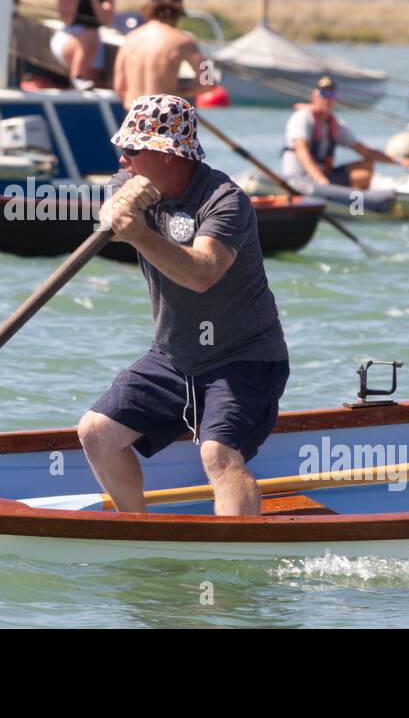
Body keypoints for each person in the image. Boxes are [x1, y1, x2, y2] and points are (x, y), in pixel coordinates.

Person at [78, 94, 291, 517]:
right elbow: (112, 206)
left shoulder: (224, 201)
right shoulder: (130, 183)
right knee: (96, 431)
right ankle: (137, 532)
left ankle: (235, 561)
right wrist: (116, 212)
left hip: (243, 358)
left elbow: (202, 273)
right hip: (173, 356)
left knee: (218, 454)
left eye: (133, 150)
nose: (122, 160)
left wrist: (139, 234)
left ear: (169, 154)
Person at [282, 75, 409, 189]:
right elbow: (301, 151)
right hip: (300, 180)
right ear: (314, 96)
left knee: (366, 167)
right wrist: (320, 180)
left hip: (323, 179)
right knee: (359, 175)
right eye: (323, 94)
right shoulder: (302, 118)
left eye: (331, 94)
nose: (327, 99)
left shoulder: (336, 125)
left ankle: (356, 209)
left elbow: (366, 151)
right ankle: (352, 205)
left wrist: (400, 161)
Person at [113, 0, 214, 107]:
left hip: (134, 115)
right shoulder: (184, 41)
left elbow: (119, 87)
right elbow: (208, 81)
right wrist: (178, 92)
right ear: (178, 12)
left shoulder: (129, 39)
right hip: (162, 115)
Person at [52, 0, 115, 85]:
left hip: (93, 42)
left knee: (95, 73)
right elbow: (67, 20)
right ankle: (77, 77)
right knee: (90, 35)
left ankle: (78, 85)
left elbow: (106, 20)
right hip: (70, 35)